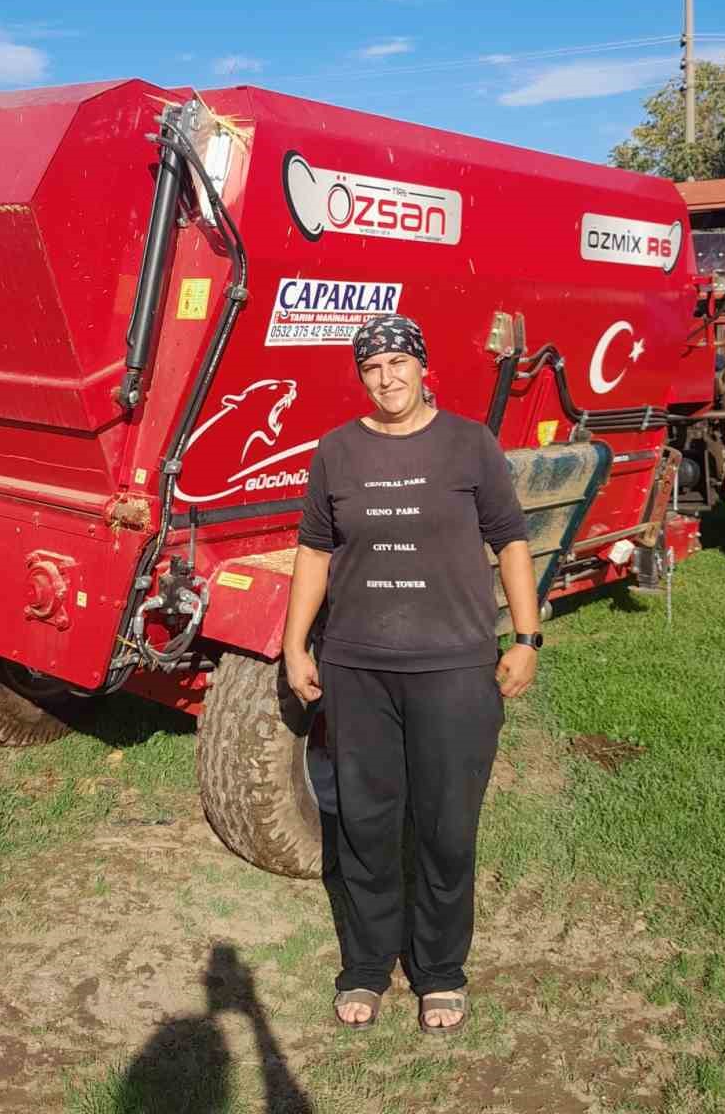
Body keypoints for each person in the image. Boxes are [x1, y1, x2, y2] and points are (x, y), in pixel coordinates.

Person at [281, 313, 542, 1033]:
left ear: (424, 368)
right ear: (360, 378)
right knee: (364, 824)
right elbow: (314, 552)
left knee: (446, 828)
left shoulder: (469, 445)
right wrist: (295, 644)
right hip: (358, 668)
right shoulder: (336, 452)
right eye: (372, 367)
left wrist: (526, 637)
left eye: (398, 362)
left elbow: (511, 542)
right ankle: (366, 966)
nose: (386, 377)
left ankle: (439, 970)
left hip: (455, 668)